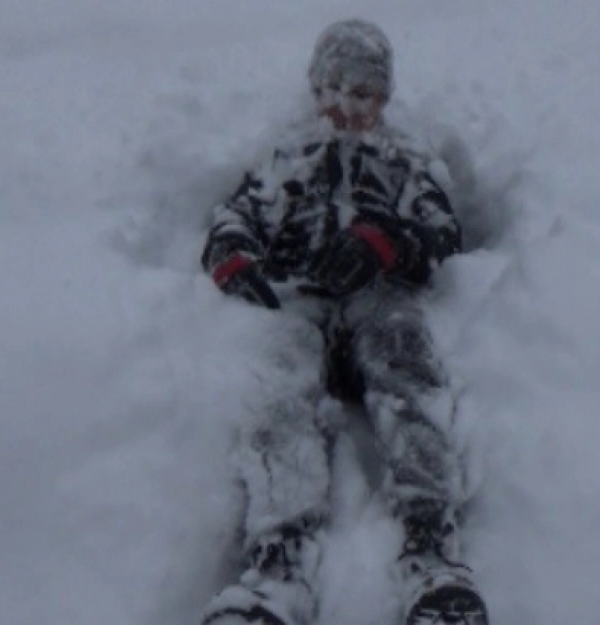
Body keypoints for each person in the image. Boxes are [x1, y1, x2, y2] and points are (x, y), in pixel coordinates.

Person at [198, 19, 489, 625]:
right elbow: (236, 216)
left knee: (407, 363)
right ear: (315, 89)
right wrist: (234, 257)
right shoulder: (288, 158)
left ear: (383, 99)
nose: (348, 108)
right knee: (278, 387)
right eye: (336, 91)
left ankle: (430, 546)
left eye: (364, 95)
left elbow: (442, 232)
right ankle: (278, 562)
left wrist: (387, 244)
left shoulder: (405, 161)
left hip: (379, 299)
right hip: (302, 302)